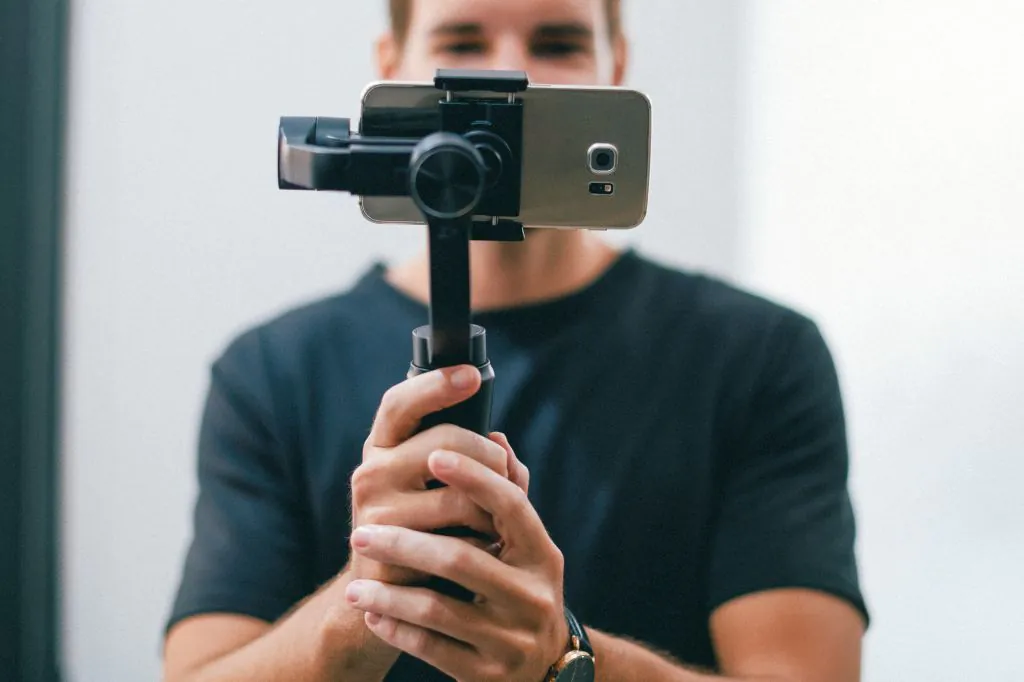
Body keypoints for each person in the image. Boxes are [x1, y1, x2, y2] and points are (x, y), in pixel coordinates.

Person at [162, 0, 869, 680]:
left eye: (557, 43)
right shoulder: (273, 373)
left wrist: (566, 663)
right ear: (393, 63)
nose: (512, 75)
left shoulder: (758, 356)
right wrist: (367, 599)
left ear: (615, 66)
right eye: (462, 42)